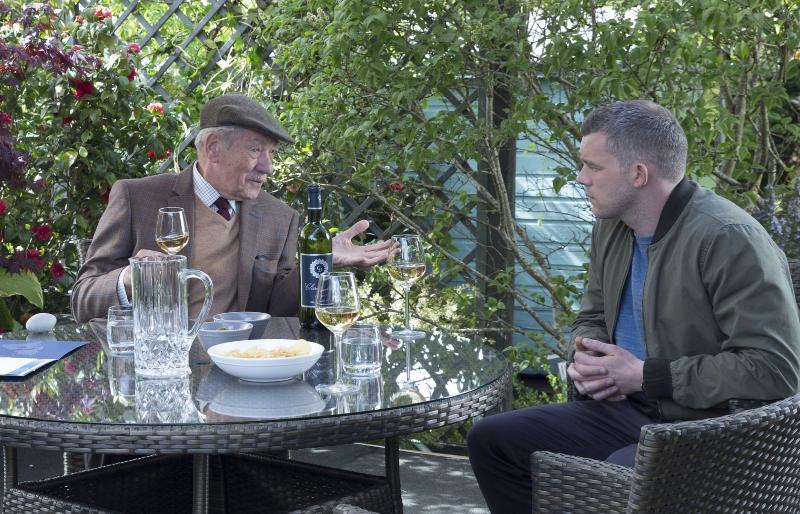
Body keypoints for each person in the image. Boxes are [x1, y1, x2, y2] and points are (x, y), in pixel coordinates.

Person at [467, 100, 800, 513]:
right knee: (492, 440)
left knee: (622, 479)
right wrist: (586, 356)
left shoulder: (728, 238)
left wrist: (645, 376)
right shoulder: (611, 226)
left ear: (639, 174)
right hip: (628, 411)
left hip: (709, 427)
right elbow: (591, 315)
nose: (581, 177)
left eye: (593, 166)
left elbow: (776, 369)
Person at [71, 93, 390, 322]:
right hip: (158, 367)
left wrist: (320, 260)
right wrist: (129, 278)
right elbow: (82, 299)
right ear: (213, 148)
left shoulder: (279, 218)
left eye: (272, 153)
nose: (268, 167)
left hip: (243, 367)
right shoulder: (138, 198)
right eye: (256, 150)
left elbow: (278, 309)